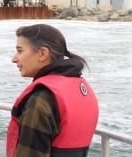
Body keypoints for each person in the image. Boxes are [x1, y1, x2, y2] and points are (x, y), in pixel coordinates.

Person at [7, 24, 99, 157]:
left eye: (20, 51)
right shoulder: (82, 89)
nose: (14, 59)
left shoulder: (41, 99)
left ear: (43, 54)